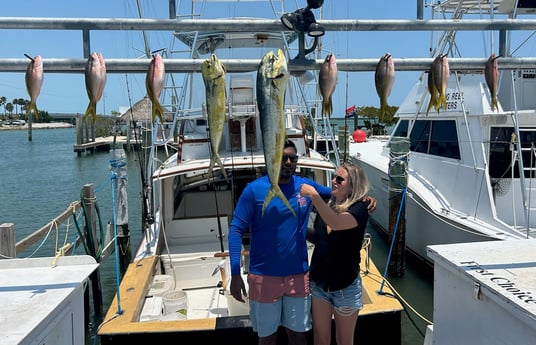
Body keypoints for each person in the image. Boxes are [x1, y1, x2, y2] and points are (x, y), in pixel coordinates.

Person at [228, 139, 375, 345]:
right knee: (267, 338)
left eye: (292, 158)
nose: (288, 162)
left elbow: (342, 194)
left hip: (299, 277)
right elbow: (235, 230)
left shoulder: (306, 187)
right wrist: (235, 273)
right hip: (264, 276)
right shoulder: (254, 190)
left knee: (298, 336)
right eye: (282, 157)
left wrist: (366, 199)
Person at [299, 162, 371, 345]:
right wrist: (296, 227)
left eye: (340, 179)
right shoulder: (328, 205)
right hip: (319, 284)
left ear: (352, 185)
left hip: (345, 287)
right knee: (320, 340)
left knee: (343, 341)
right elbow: (319, 238)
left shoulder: (360, 209)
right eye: (333, 177)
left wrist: (314, 196)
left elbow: (337, 223)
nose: (334, 181)